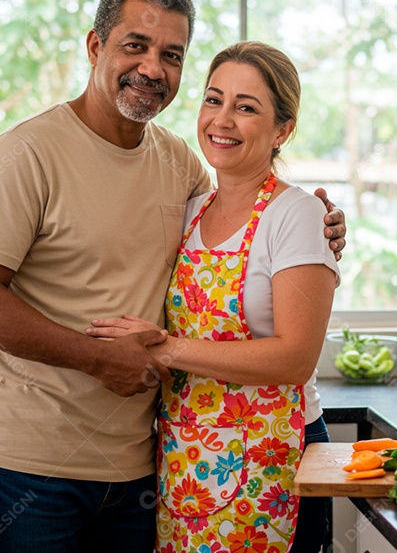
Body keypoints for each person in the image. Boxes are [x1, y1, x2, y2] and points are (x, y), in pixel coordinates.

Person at [0, 0, 345, 553]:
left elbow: (254, 218)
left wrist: (322, 227)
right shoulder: (26, 155)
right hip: (36, 469)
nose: (153, 68)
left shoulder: (178, 163)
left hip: (147, 463)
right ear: (95, 47)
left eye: (172, 55)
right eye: (135, 45)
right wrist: (100, 359)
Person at [86, 41, 338, 553]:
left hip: (275, 461)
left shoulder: (297, 215)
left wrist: (164, 348)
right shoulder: (189, 210)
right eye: (213, 99)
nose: (221, 120)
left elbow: (295, 358)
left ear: (282, 130)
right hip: (188, 460)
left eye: (246, 108)